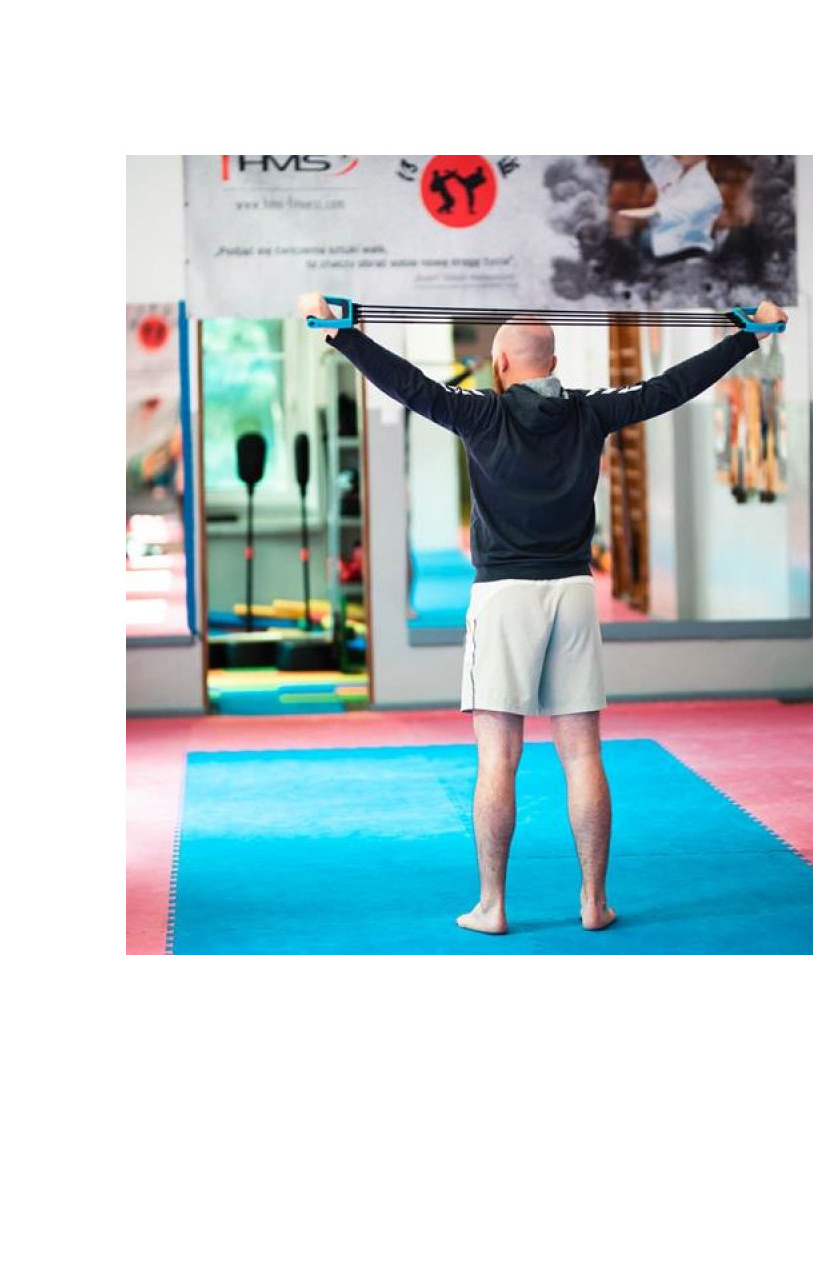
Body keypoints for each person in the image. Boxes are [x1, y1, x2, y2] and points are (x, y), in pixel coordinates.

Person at [303, 291, 787, 936]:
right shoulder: (590, 411)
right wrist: (748, 337)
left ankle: (493, 905)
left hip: (503, 596)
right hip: (573, 591)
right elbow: (671, 387)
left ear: (500, 363)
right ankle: (594, 901)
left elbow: (408, 385)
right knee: (582, 754)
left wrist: (342, 335)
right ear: (554, 363)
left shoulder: (478, 412)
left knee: (498, 759)